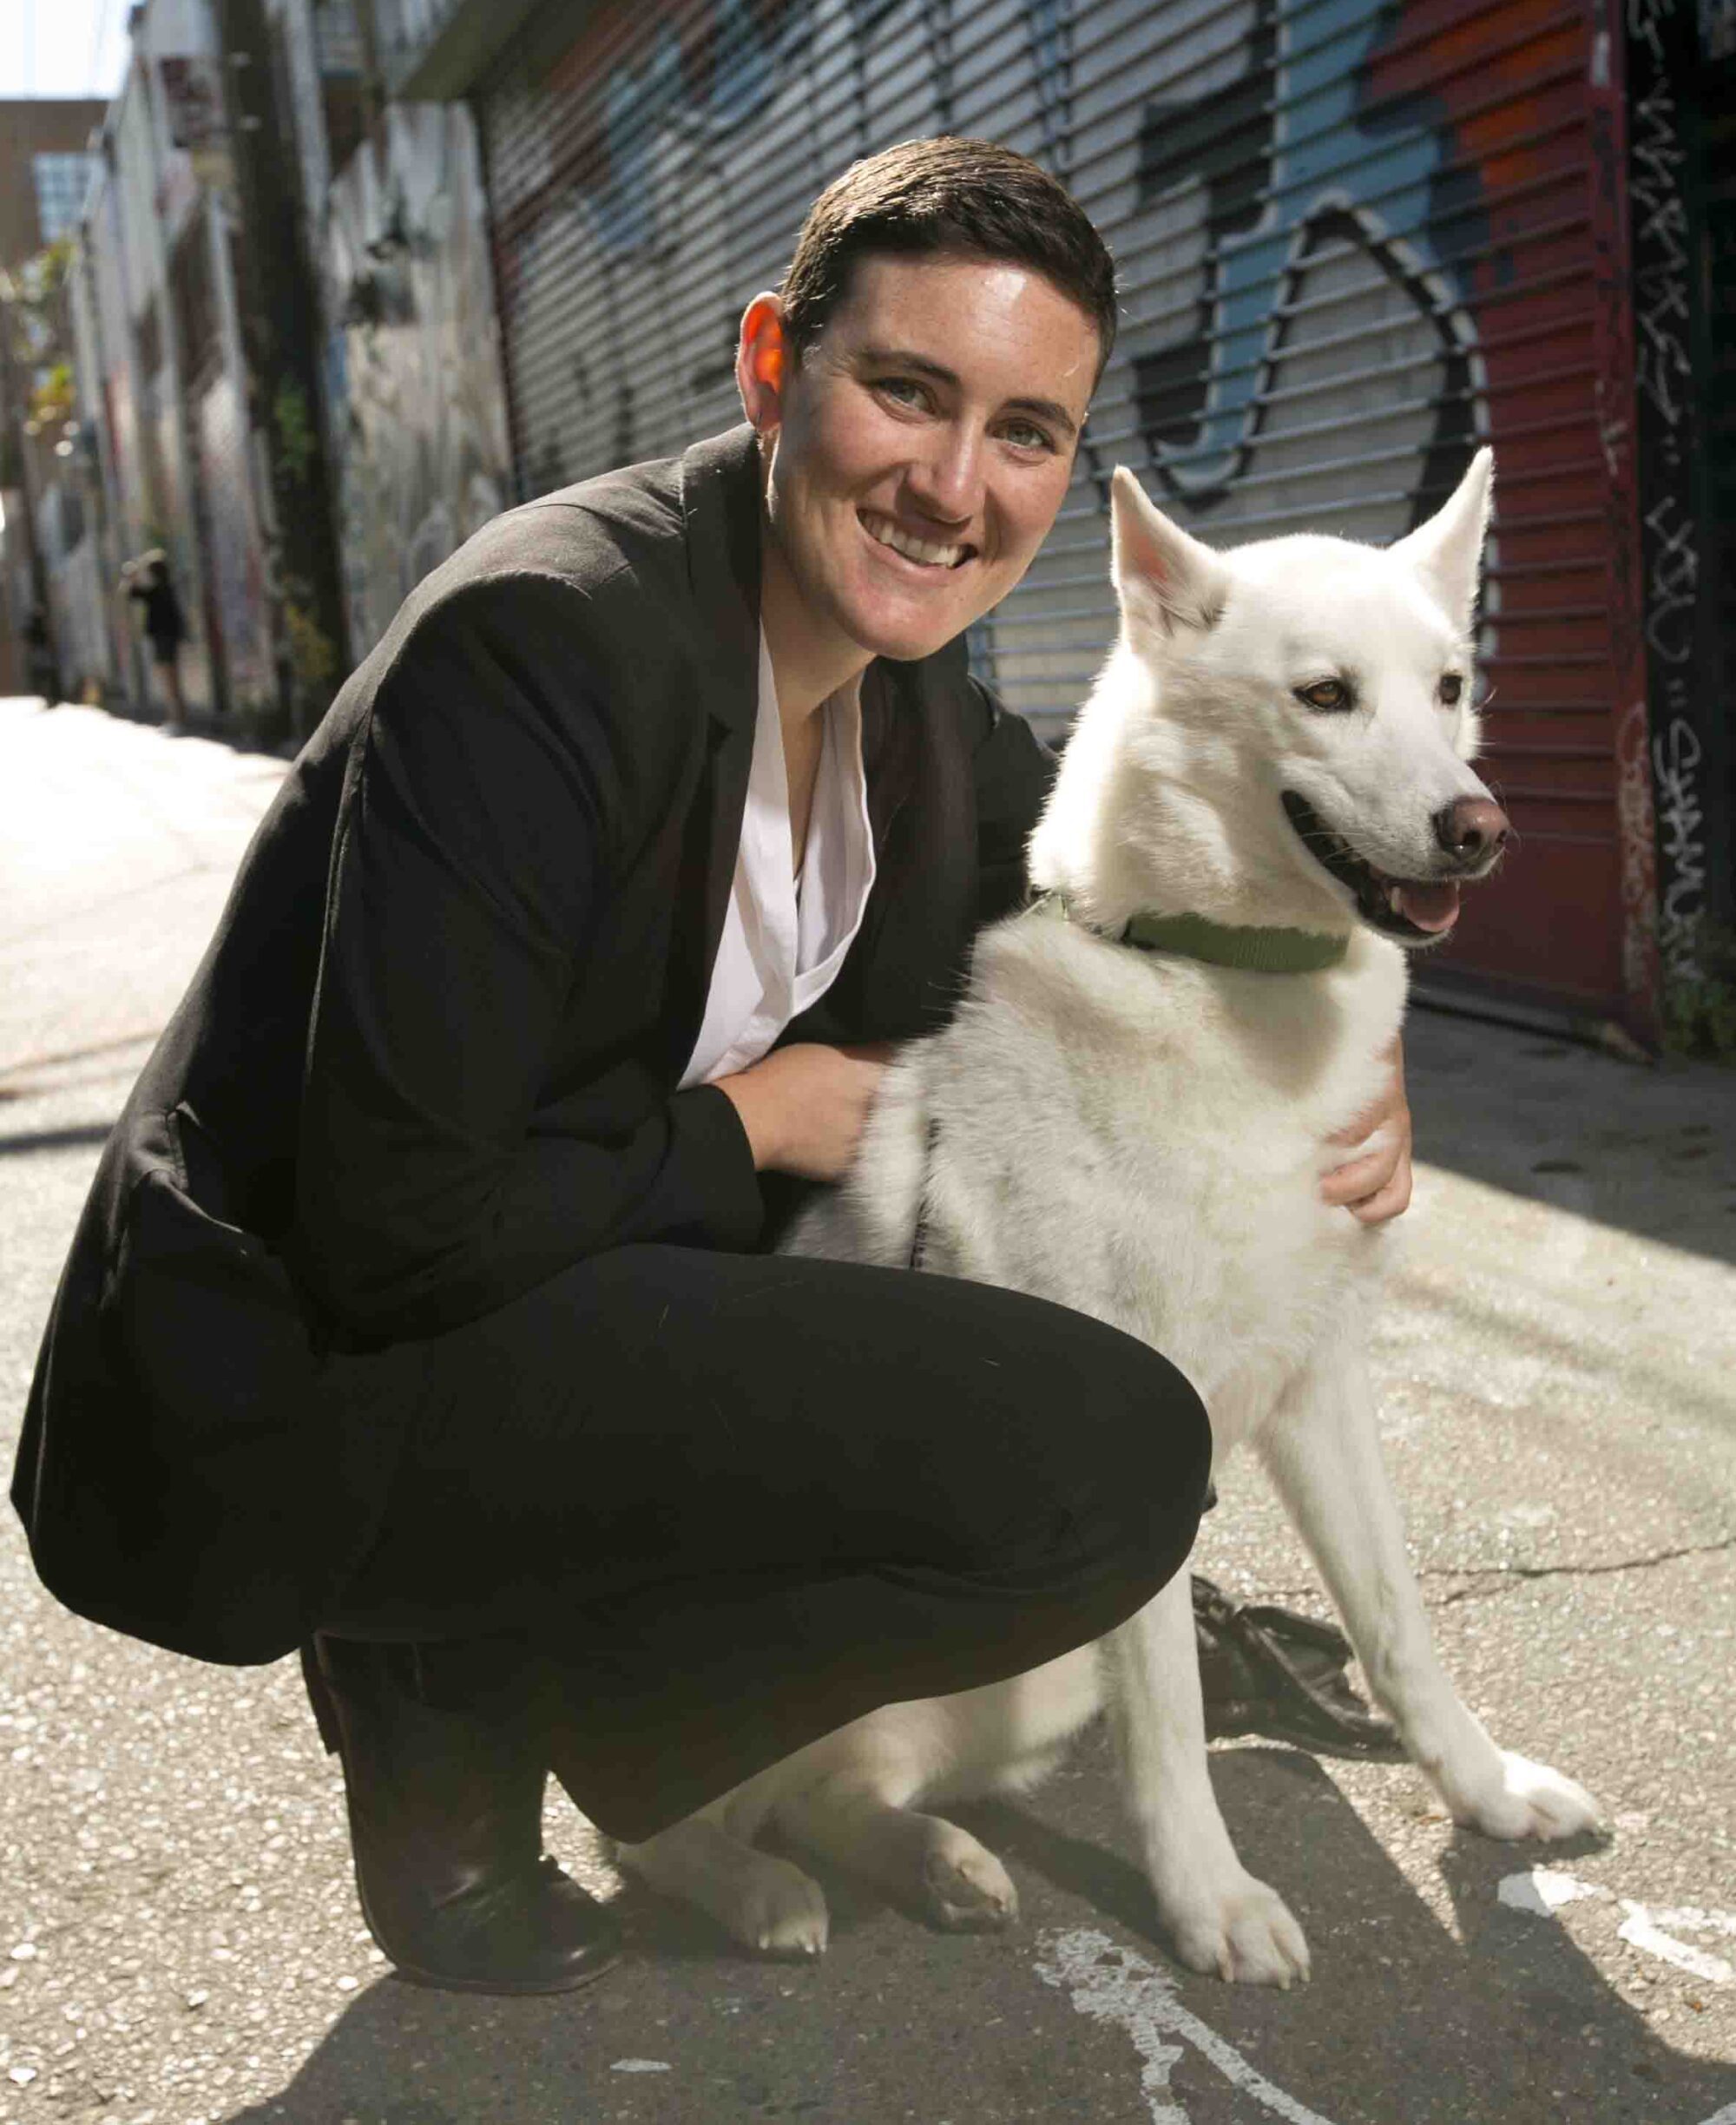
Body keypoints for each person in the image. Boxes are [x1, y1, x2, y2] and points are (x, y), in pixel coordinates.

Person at [12, 139, 1410, 1998]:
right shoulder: (541, 648)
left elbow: (1128, 892)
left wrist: (1325, 1044)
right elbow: (395, 1224)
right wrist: (750, 1122)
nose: (951, 484)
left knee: (1083, 1406)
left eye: (1022, 432)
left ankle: (637, 1709)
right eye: (905, 390)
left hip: (580, 1267)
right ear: (771, 364)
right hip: (312, 1364)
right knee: (1085, 1436)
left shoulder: (908, 684)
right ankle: (442, 1654)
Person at [123, 549, 187, 729]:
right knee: (172, 678)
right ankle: (177, 716)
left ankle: (176, 718)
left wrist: (131, 575)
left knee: (169, 679)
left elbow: (132, 594)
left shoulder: (157, 591)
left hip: (163, 639)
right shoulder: (166, 589)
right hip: (169, 638)